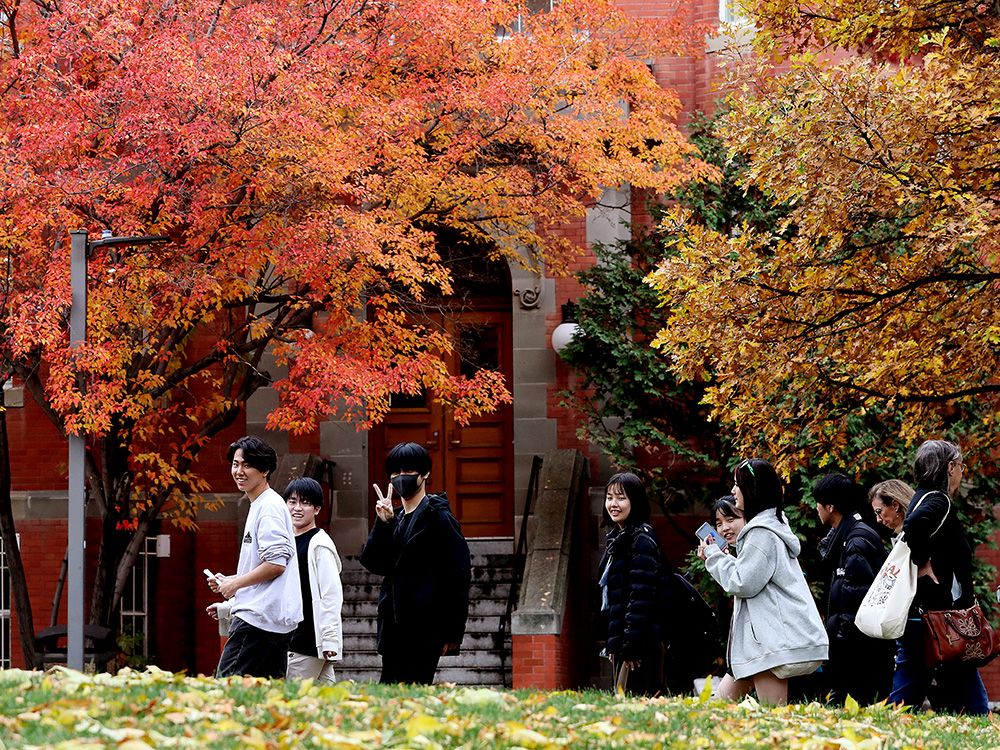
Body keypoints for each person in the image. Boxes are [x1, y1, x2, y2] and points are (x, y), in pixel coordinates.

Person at [698, 458, 828, 705]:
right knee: (717, 709)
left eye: (738, 484)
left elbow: (743, 583)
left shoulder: (761, 534)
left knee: (773, 717)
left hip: (769, 645)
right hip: (758, 646)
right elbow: (751, 576)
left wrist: (714, 556)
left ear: (752, 489)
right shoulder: (766, 529)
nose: (733, 490)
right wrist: (724, 558)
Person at [888, 439, 989, 715]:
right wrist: (923, 563)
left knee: (910, 684)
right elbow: (914, 524)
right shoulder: (938, 500)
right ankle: (980, 721)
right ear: (949, 468)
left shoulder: (921, 495)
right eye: (960, 466)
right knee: (964, 680)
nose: (961, 472)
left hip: (924, 614)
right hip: (940, 617)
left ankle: (891, 724)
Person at [358, 442, 471, 684]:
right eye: (396, 472)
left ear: (425, 474)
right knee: (389, 693)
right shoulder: (394, 518)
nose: (401, 477)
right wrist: (383, 525)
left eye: (408, 471)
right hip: (393, 625)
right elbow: (373, 562)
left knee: (414, 693)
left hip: (425, 627)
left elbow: (459, 576)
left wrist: (452, 632)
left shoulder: (439, 518)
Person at [207, 436, 303, 678]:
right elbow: (269, 563)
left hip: (257, 621)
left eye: (247, 465)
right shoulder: (262, 504)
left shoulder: (268, 506)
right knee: (266, 701)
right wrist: (229, 579)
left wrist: (235, 584)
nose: (239, 471)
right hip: (270, 621)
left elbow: (276, 564)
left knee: (226, 690)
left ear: (265, 470)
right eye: (235, 464)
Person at [813, 472, 894, 704]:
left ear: (830, 506)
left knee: (854, 707)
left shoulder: (856, 540)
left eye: (818, 504)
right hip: (851, 645)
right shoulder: (845, 537)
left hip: (856, 650)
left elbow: (857, 595)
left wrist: (840, 638)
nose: (816, 509)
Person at [598, 472, 665, 696]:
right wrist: (614, 643)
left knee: (637, 709)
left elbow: (641, 598)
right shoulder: (619, 538)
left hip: (640, 645)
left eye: (621, 498)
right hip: (626, 642)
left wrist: (631, 646)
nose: (613, 504)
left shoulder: (641, 539)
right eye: (609, 497)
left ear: (634, 501)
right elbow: (616, 598)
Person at [284, 477, 344, 683]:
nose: (297, 508)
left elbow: (331, 596)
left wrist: (329, 641)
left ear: (317, 509)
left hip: (306, 642)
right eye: (292, 501)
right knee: (326, 706)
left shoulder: (319, 544)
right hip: (295, 639)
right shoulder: (286, 542)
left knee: (294, 705)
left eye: (305, 503)